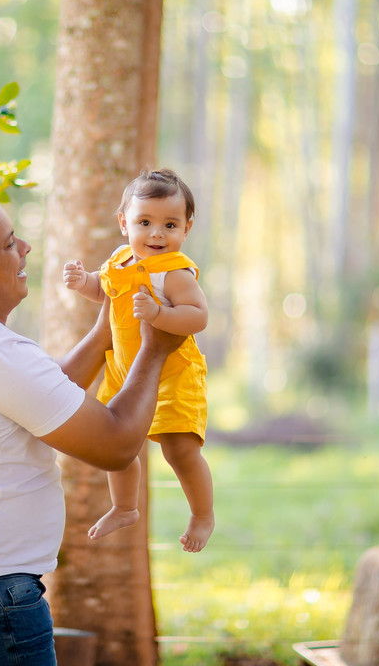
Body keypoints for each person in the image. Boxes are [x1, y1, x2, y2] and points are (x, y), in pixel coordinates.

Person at [0, 195, 185, 666]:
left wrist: (107, 330)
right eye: (9, 243)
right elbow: (116, 445)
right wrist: (155, 348)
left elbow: (42, 396)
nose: (26, 247)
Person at [62, 168, 215, 553]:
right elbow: (105, 291)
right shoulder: (120, 259)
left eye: (170, 224)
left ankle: (202, 515)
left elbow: (198, 316)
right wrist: (84, 283)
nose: (157, 234)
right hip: (123, 370)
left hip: (174, 375)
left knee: (179, 450)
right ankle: (124, 507)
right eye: (144, 222)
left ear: (186, 229)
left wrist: (160, 315)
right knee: (118, 444)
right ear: (123, 223)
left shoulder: (174, 273)